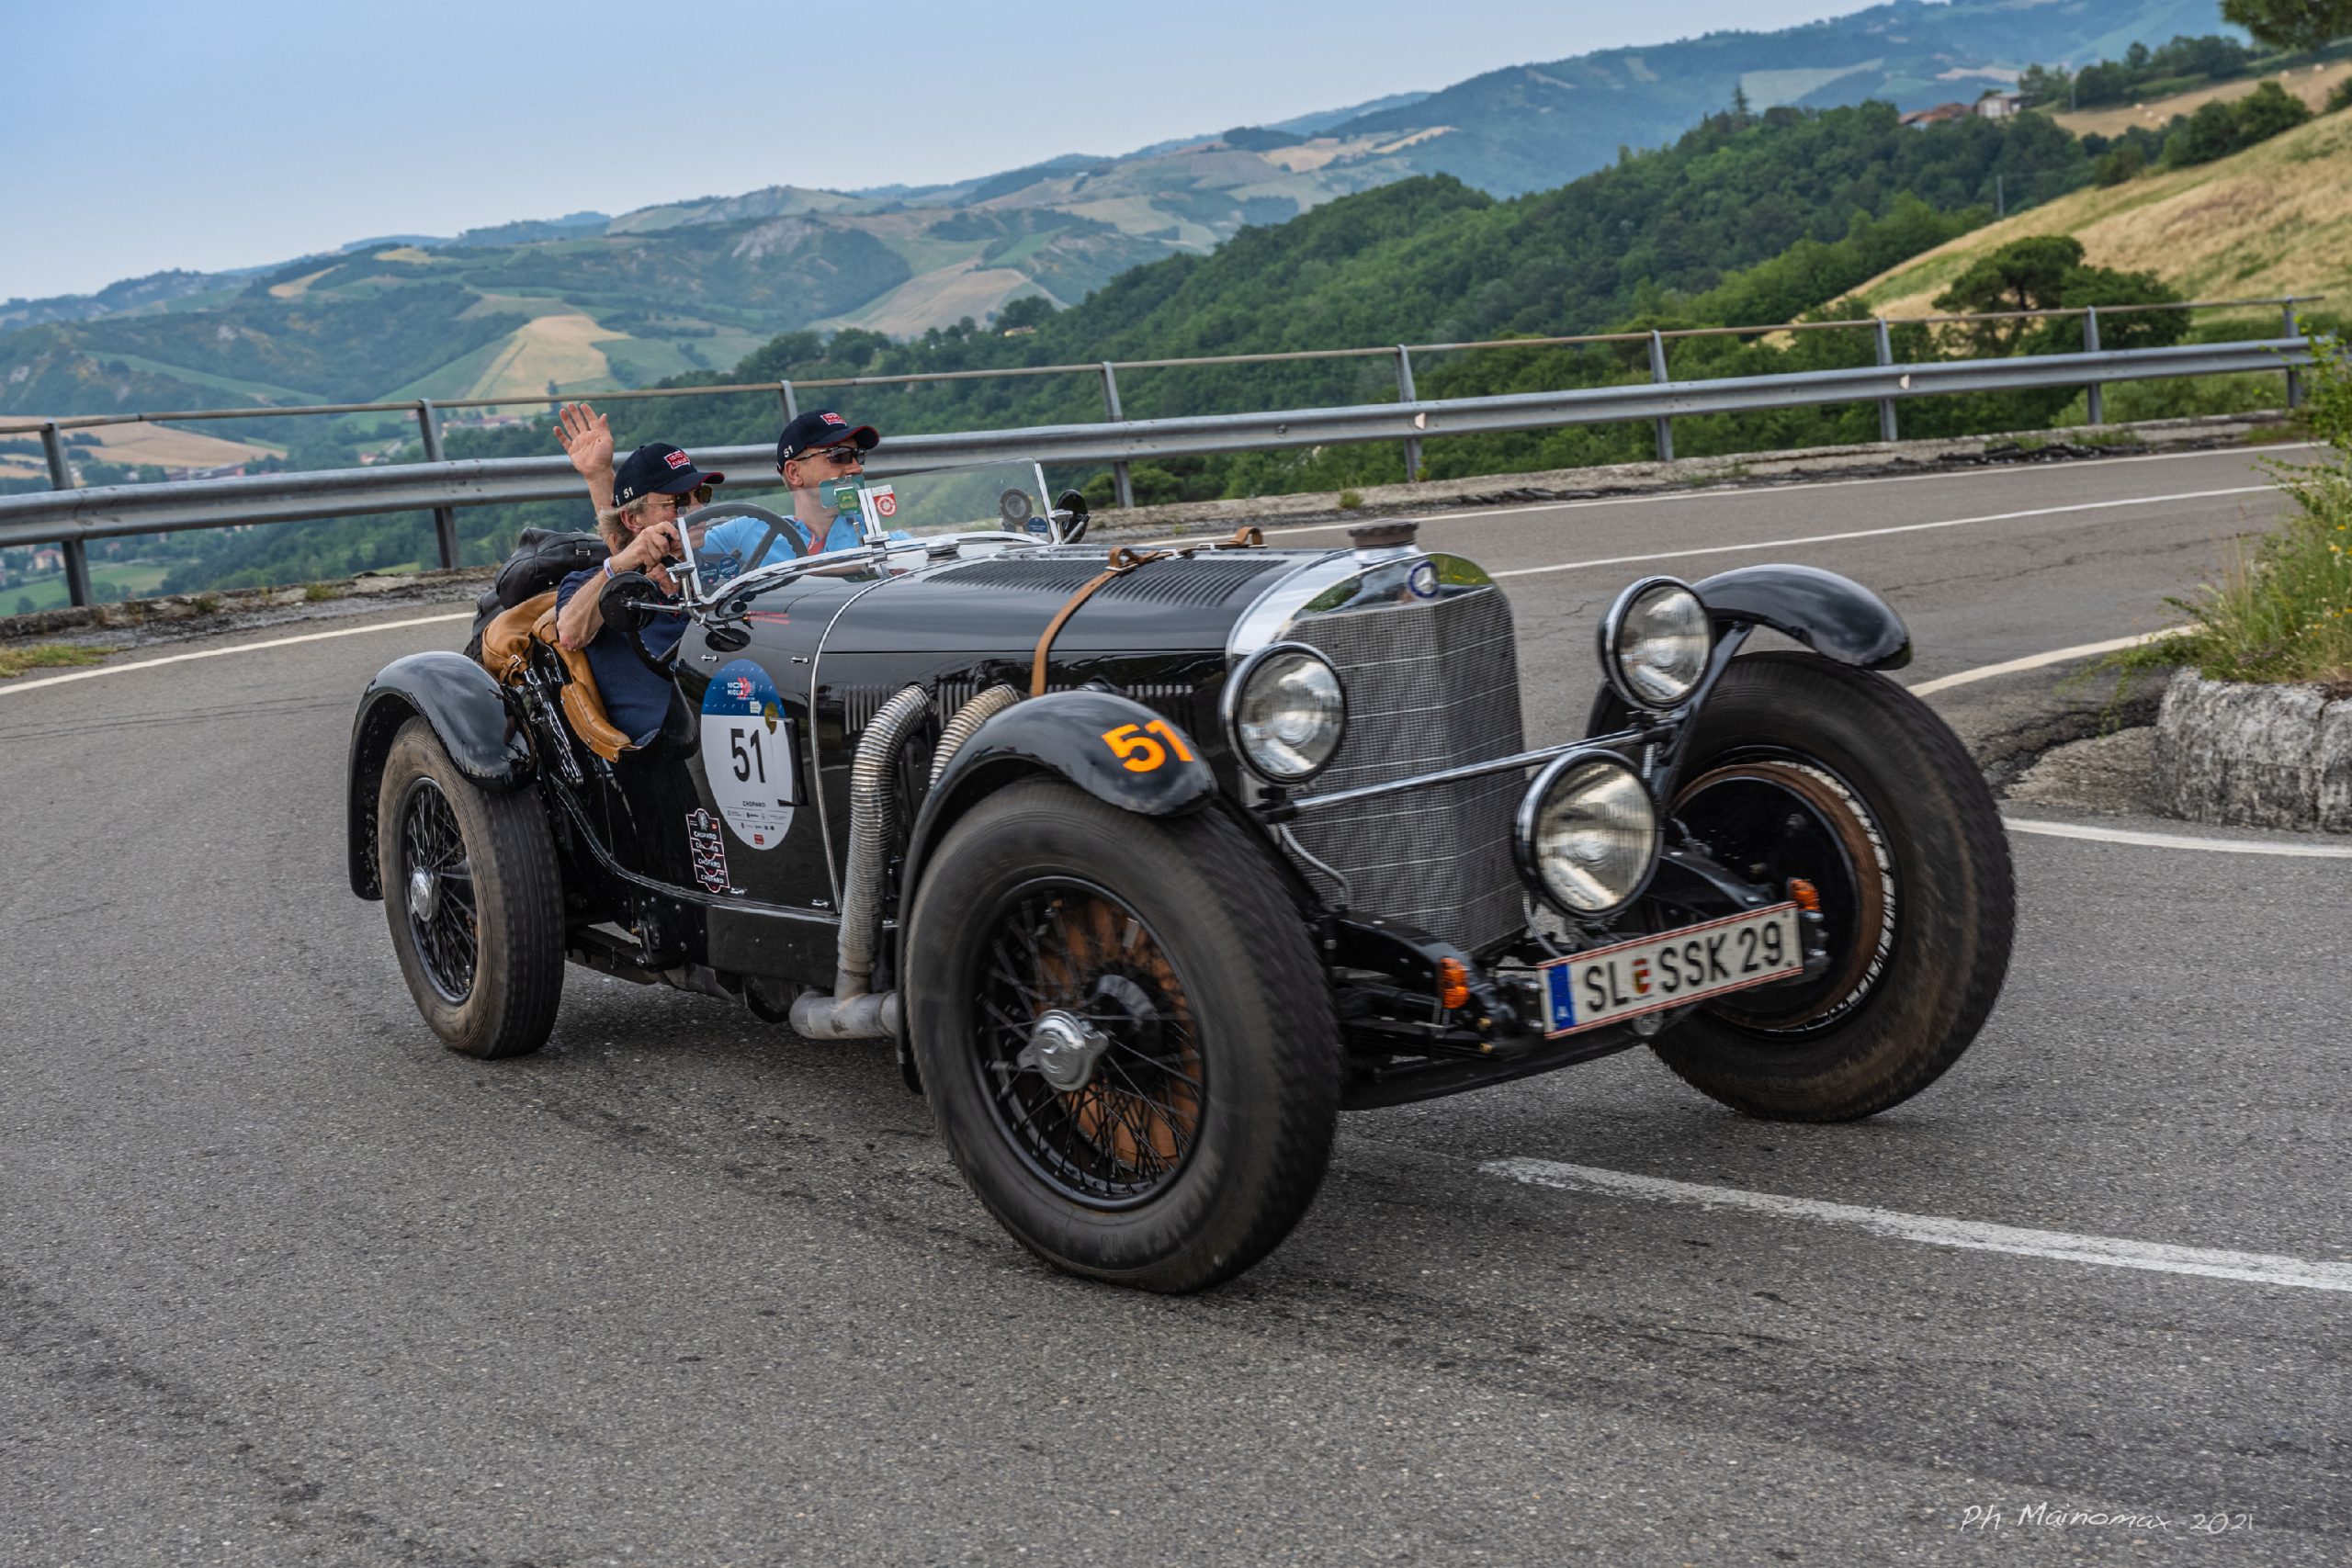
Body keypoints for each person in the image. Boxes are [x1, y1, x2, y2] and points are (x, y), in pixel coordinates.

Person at [551, 438, 725, 746]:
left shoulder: (722, 569)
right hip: (665, 745)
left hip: (729, 712)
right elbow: (570, 633)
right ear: (633, 520)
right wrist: (621, 565)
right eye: (679, 501)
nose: (698, 509)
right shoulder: (595, 583)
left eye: (702, 495)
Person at [695, 408, 883, 578]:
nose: (856, 468)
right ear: (794, 473)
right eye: (839, 456)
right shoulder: (749, 531)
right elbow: (686, 558)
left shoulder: (875, 529)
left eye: (858, 455)